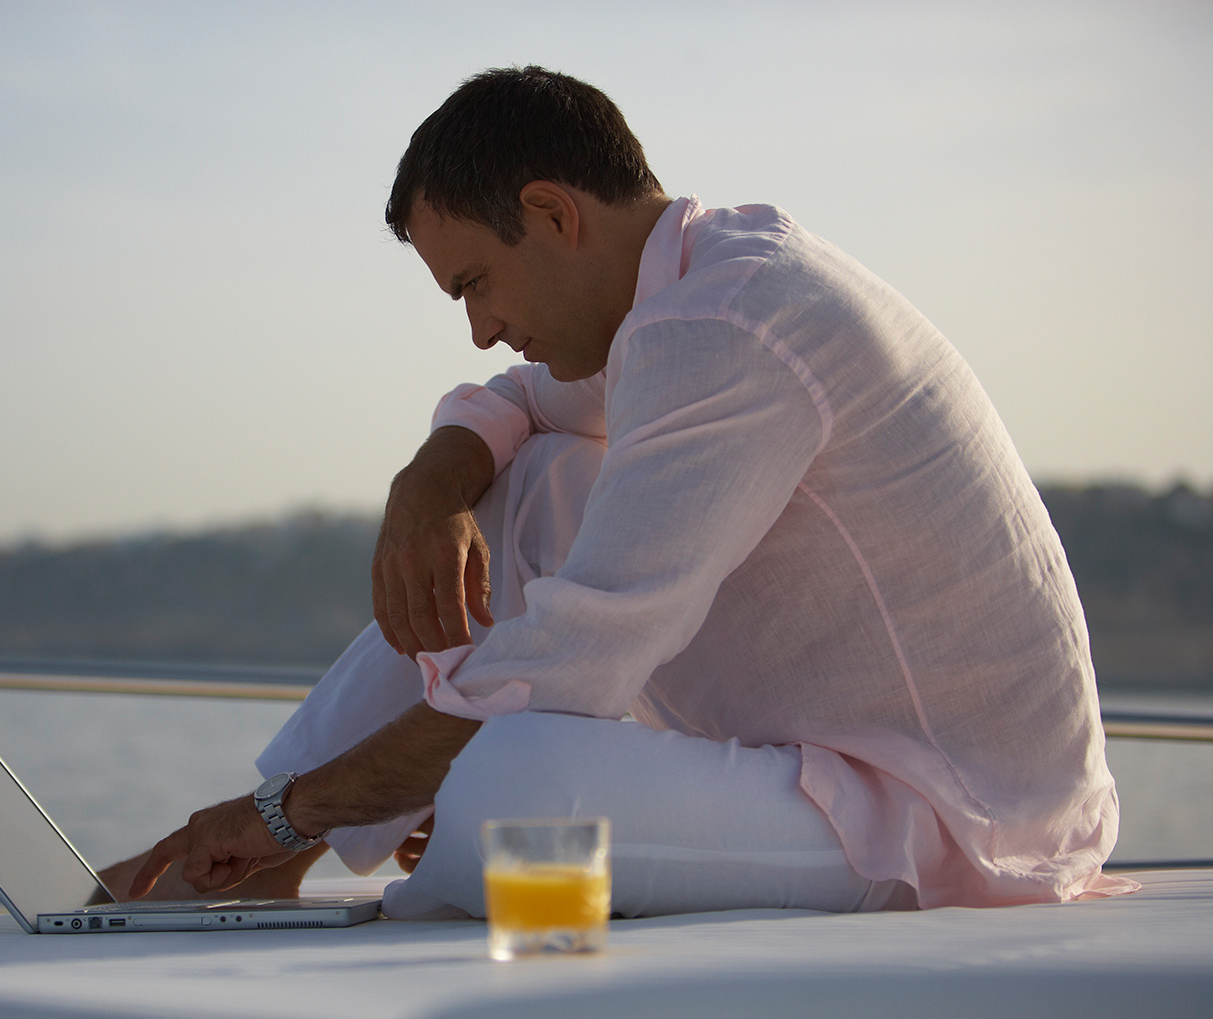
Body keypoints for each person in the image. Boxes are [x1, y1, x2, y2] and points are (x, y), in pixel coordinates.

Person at [107, 65, 1133, 917]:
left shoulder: (724, 325)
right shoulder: (687, 286)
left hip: (954, 821)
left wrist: (310, 803)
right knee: (526, 480)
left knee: (512, 789)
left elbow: (573, 667)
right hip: (817, 765)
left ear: (552, 214)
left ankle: (277, 834)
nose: (478, 326)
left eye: (473, 284)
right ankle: (260, 855)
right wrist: (430, 481)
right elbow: (518, 401)